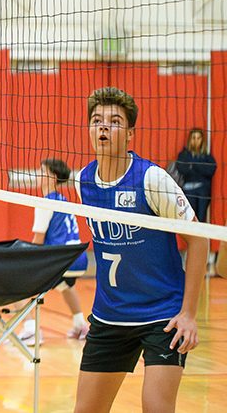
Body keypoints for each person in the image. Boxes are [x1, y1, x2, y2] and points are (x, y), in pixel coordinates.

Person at [73, 87, 208, 413]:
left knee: (156, 407)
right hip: (110, 317)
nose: (103, 127)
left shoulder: (151, 179)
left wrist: (188, 313)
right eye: (97, 120)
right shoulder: (83, 181)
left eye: (114, 121)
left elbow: (199, 239)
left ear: (130, 133)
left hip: (162, 315)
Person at [16, 158, 90, 346]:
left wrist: (22, 264)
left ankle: (31, 330)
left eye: (41, 171)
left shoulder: (45, 203)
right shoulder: (63, 200)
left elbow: (38, 241)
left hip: (63, 258)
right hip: (79, 258)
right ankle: (81, 325)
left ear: (52, 176)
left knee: (17, 282)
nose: (37, 175)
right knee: (64, 285)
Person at [174, 127, 216, 224]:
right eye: (193, 138)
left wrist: (192, 165)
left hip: (202, 191)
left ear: (202, 140)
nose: (196, 141)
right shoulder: (184, 155)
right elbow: (182, 169)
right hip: (188, 190)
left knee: (201, 220)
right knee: (189, 220)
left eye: (198, 138)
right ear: (190, 139)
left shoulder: (207, 157)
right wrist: (200, 167)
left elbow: (210, 171)